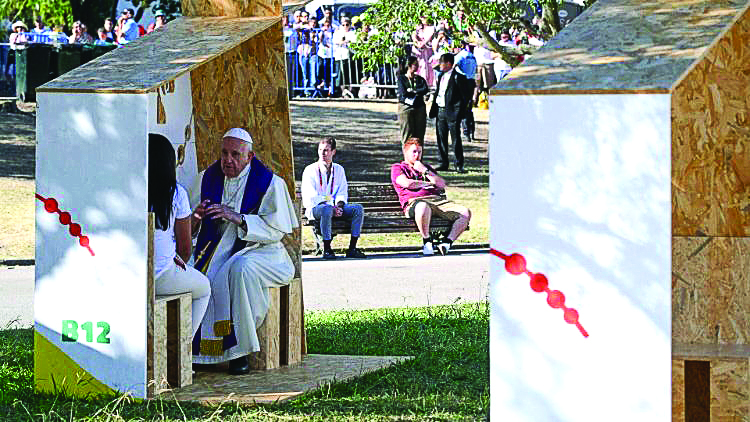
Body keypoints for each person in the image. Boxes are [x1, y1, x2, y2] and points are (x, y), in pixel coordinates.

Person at [190, 128, 298, 375]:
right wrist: (196, 217)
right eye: (224, 153)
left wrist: (238, 218)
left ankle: (240, 351)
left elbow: (276, 231)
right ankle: (202, 351)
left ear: (249, 157)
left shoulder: (270, 183)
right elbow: (187, 222)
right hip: (213, 249)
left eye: (235, 154)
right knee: (193, 271)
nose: (228, 160)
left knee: (240, 269)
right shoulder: (206, 178)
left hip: (261, 251)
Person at [148, 134, 211, 339]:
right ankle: (184, 346)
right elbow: (185, 249)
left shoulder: (129, 190)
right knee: (204, 289)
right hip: (160, 275)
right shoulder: (176, 193)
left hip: (131, 273)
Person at [391, 138, 471, 256]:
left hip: (437, 201)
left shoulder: (426, 168)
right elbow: (407, 183)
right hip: (415, 202)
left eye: (419, 152)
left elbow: (441, 184)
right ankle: (427, 242)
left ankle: (446, 243)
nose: (417, 155)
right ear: (405, 152)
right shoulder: (398, 167)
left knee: (465, 212)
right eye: (414, 152)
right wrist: (428, 183)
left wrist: (425, 171)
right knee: (423, 207)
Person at [301, 137, 366, 260]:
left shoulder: (339, 169)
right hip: (316, 208)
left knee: (357, 209)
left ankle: (352, 248)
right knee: (326, 209)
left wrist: (339, 206)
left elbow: (342, 192)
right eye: (320, 150)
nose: (322, 153)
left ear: (333, 152)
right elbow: (311, 197)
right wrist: (331, 206)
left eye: (326, 150)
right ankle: (327, 249)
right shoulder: (310, 170)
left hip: (335, 207)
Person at [429, 53, 470, 173]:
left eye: (441, 63)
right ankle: (443, 162)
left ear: (448, 63)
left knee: (455, 138)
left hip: (452, 112)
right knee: (441, 138)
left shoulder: (458, 77)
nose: (440, 65)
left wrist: (459, 111)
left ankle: (458, 164)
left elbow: (465, 96)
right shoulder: (441, 75)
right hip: (440, 110)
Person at [396, 56, 429, 144]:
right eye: (415, 64)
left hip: (419, 107)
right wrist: (416, 92)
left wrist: (413, 91)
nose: (417, 66)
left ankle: (418, 152)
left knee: (419, 134)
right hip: (406, 107)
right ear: (409, 65)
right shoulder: (402, 79)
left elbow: (425, 89)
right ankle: (407, 152)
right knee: (407, 133)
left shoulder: (420, 79)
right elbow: (404, 93)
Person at [454, 42, 477, 142]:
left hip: (463, 82)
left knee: (463, 108)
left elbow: (453, 66)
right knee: (469, 107)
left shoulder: (460, 56)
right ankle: (471, 131)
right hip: (471, 81)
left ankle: (466, 132)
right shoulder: (472, 56)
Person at [411, 16, 435, 88]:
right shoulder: (418, 28)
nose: (423, 19)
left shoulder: (432, 28)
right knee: (419, 68)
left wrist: (423, 43)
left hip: (427, 52)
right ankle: (419, 85)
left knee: (428, 69)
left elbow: (429, 38)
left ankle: (428, 86)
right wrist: (416, 42)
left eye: (425, 17)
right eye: (422, 17)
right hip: (419, 52)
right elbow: (413, 35)